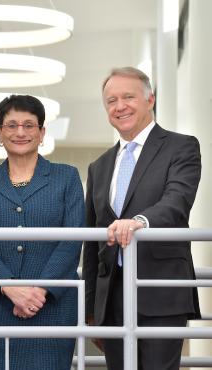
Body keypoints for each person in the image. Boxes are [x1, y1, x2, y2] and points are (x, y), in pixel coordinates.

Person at [82, 66, 201, 370]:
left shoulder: (181, 146)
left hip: (160, 290)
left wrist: (139, 221)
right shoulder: (99, 166)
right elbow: (92, 238)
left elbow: (177, 202)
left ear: (150, 100)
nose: (119, 106)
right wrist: (92, 308)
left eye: (128, 97)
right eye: (111, 101)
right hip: (112, 301)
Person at [0, 94, 85, 370]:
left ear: (42, 133)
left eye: (29, 125)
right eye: (12, 125)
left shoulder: (67, 177)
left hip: (52, 306)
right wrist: (10, 287)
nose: (20, 132)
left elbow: (73, 238)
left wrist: (38, 290)